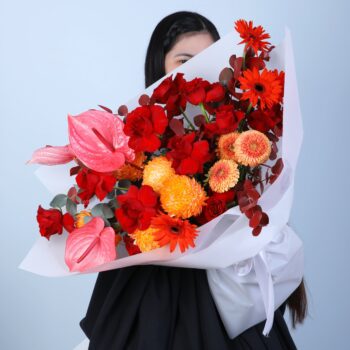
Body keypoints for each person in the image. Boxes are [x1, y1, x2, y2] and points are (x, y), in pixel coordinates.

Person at [79, 11, 308, 350]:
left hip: (223, 289)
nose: (196, 70)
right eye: (184, 60)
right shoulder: (133, 142)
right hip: (153, 289)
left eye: (207, 58)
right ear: (159, 66)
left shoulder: (242, 133)